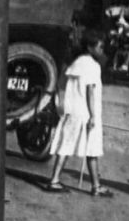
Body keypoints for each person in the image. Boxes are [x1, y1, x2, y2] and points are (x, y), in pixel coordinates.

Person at [43, 31, 112, 197]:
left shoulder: (76, 63)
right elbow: (90, 91)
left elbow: (61, 84)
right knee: (92, 149)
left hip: (72, 110)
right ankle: (95, 186)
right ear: (90, 47)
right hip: (86, 113)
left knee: (66, 145)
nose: (102, 50)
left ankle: (55, 180)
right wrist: (93, 116)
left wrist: (61, 104)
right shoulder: (93, 66)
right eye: (100, 46)